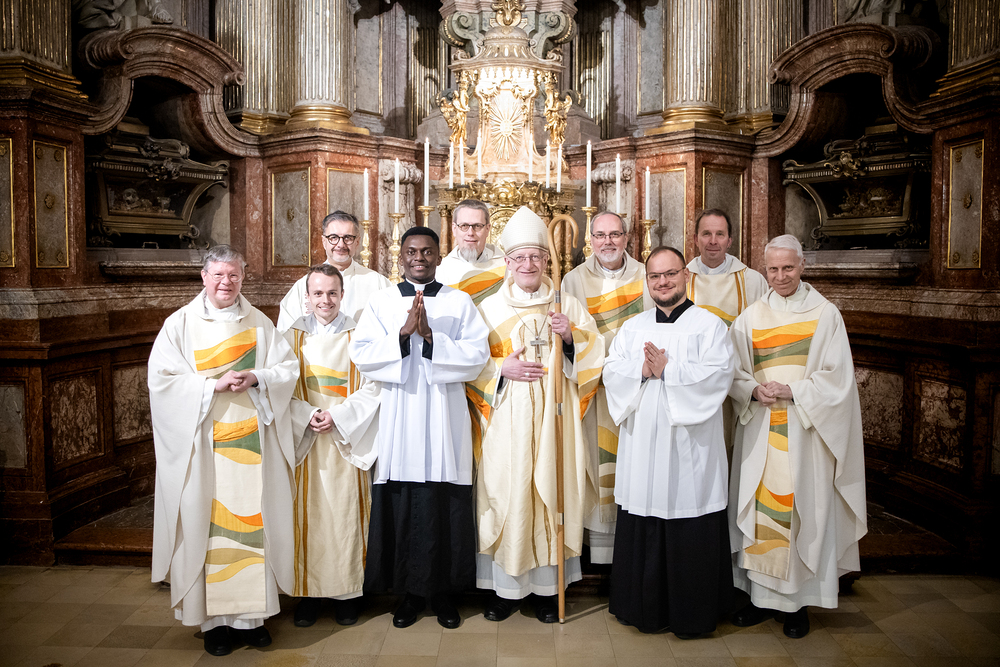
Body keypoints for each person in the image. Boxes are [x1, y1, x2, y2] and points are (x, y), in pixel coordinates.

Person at [147, 245, 300, 657]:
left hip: (252, 444)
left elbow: (287, 370)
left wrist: (257, 377)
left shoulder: (260, 323)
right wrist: (210, 385)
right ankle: (213, 623)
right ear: (204, 277)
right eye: (218, 275)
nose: (226, 282)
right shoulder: (180, 324)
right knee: (209, 526)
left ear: (243, 277)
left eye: (233, 275)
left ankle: (252, 619)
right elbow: (161, 381)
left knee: (253, 523)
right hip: (205, 446)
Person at [349, 227, 490, 630]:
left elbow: (477, 356)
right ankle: (408, 595)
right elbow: (361, 355)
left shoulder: (459, 302)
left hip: (444, 415)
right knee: (404, 501)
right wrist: (402, 334)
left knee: (445, 502)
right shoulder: (381, 302)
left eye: (427, 251)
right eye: (412, 251)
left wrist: (430, 338)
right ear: (401, 257)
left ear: (439, 257)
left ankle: (444, 594)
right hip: (400, 414)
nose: (419, 258)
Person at [469, 206, 604, 623]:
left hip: (556, 419)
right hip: (506, 420)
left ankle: (549, 590)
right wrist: (500, 371)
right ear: (507, 263)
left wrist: (570, 339)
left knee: (553, 494)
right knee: (508, 493)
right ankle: (505, 591)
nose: (528, 264)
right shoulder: (488, 309)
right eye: (520, 258)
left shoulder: (567, 304)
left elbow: (594, 357)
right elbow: (470, 364)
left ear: (547, 260)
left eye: (536, 256)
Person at [728, 234, 866, 639]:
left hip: (805, 430)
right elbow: (733, 371)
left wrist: (794, 390)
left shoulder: (825, 315)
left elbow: (838, 380)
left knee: (803, 510)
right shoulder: (750, 317)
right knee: (759, 513)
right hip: (760, 427)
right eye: (773, 268)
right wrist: (752, 389)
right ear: (765, 269)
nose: (780, 276)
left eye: (788, 267)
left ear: (802, 266)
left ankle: (797, 605)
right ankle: (760, 600)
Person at [604, 246, 735, 637]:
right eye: (655, 276)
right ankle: (642, 609)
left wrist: (669, 371)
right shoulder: (634, 327)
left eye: (670, 274)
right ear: (647, 281)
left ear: (685, 276)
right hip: (643, 444)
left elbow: (719, 376)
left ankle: (690, 615)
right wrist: (641, 370)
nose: (663, 282)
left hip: (688, 447)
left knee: (687, 511)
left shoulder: (709, 326)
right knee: (643, 510)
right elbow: (611, 371)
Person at [281, 264, 381, 629]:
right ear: (306, 297)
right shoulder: (288, 338)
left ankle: (348, 595)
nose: (326, 300)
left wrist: (338, 416)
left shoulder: (361, 334)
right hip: (306, 441)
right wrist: (307, 414)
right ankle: (308, 596)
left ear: (342, 295)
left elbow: (374, 387)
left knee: (345, 516)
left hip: (344, 438)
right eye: (318, 293)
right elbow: (278, 388)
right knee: (307, 517)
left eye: (332, 293)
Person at [562, 211, 651, 564]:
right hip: (594, 389)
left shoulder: (646, 276)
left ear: (627, 238)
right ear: (591, 240)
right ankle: (599, 554)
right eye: (600, 235)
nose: (607, 242)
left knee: (637, 464)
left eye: (615, 234)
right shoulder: (573, 280)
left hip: (638, 391)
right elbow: (569, 338)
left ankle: (635, 543)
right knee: (595, 464)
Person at [278, 210, 391, 329]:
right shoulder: (302, 287)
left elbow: (392, 328)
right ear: (324, 241)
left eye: (348, 238)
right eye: (333, 237)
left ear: (357, 242)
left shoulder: (378, 284)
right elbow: (287, 333)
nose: (341, 245)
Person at [686, 208, 767, 327]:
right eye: (706, 234)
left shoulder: (753, 281)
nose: (713, 241)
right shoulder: (681, 282)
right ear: (696, 239)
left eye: (720, 234)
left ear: (729, 241)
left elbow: (764, 327)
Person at [436, 199, 507, 306]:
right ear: (454, 229)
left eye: (477, 226)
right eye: (464, 226)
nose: (470, 233)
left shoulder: (505, 267)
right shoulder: (441, 271)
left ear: (487, 229)